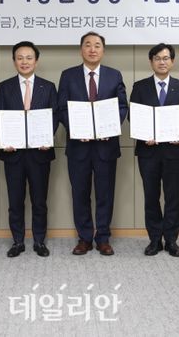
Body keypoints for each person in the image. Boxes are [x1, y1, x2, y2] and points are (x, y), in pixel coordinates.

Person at [57, 32, 128, 256]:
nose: (92, 49)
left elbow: (122, 107)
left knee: (105, 194)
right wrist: (76, 130)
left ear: (103, 50)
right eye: (88, 45)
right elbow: (61, 108)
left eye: (97, 45)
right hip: (78, 146)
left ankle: (103, 238)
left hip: (106, 147)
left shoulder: (114, 75)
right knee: (80, 193)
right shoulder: (68, 75)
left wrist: (110, 128)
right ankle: (85, 238)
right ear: (81, 49)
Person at [130, 43, 179, 257]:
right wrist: (143, 134)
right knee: (151, 196)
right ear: (151, 62)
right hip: (148, 151)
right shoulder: (140, 87)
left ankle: (171, 240)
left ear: (172, 62)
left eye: (166, 58)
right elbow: (133, 115)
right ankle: (154, 240)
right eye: (157, 58)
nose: (162, 62)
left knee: (172, 196)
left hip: (174, 152)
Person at [0, 41, 58, 258]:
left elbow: (54, 116)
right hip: (13, 153)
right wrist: (5, 138)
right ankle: (18, 241)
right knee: (15, 201)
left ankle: (39, 241)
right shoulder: (4, 87)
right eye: (20, 58)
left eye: (29, 58)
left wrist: (48, 137)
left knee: (39, 201)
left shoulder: (48, 87)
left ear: (36, 61)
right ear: (14, 61)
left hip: (40, 152)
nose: (24, 62)